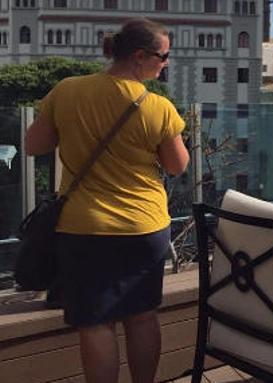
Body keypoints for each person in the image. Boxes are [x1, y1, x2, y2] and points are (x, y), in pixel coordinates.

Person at [24, 19, 189, 383]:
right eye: (164, 57)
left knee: (96, 324)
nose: (166, 64)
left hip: (83, 227)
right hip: (143, 227)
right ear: (139, 56)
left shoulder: (67, 90)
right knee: (143, 316)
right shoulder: (157, 107)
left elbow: (34, 145)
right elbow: (178, 166)